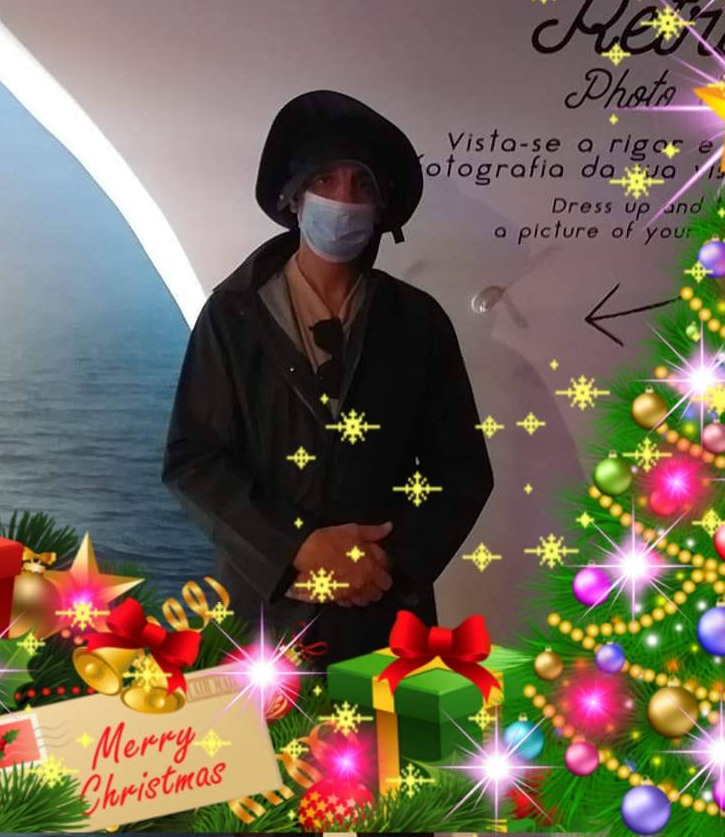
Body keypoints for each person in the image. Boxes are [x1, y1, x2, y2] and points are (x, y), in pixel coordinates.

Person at [161, 89, 494, 668]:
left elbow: (461, 470)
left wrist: (381, 565)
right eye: (326, 180)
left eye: (362, 184)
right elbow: (195, 460)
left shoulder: (418, 323)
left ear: (382, 208)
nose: (343, 199)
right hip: (262, 612)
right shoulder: (232, 315)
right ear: (294, 196)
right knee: (258, 730)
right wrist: (296, 547)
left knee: (380, 731)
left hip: (383, 615)